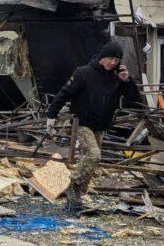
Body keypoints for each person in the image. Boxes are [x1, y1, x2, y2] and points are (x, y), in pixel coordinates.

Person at [46, 41, 143, 213]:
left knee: (91, 162)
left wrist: (127, 81)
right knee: (93, 155)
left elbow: (134, 102)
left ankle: (76, 196)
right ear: (102, 56)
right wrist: (51, 115)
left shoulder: (117, 77)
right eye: (110, 58)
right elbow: (64, 93)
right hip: (81, 123)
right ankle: (73, 185)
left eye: (116, 60)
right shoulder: (84, 72)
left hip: (101, 126)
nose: (113, 63)